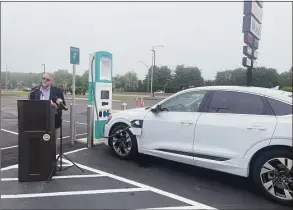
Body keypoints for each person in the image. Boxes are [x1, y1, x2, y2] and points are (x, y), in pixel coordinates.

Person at [28, 72, 66, 155]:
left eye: (47, 79)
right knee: (38, 144)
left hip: (53, 123)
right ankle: (39, 163)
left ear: (52, 81)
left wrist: (55, 106)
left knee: (52, 145)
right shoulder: (35, 90)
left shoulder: (57, 91)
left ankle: (52, 164)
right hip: (38, 123)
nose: (45, 80)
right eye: (43, 78)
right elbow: (30, 106)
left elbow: (63, 106)